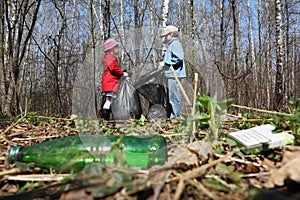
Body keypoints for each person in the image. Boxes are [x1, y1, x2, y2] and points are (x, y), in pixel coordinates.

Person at [160, 25, 186, 119]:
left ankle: (176, 116)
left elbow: (179, 57)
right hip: (171, 74)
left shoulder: (175, 44)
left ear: (171, 34)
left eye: (165, 35)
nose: (164, 38)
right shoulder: (171, 45)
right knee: (171, 96)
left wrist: (166, 62)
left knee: (173, 97)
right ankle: (173, 115)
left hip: (174, 74)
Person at [101, 38, 130, 121]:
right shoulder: (109, 57)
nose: (118, 49)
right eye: (116, 47)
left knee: (110, 101)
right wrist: (123, 73)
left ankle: (107, 118)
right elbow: (113, 69)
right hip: (110, 83)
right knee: (109, 101)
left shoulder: (109, 57)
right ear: (111, 49)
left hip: (109, 83)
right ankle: (105, 118)